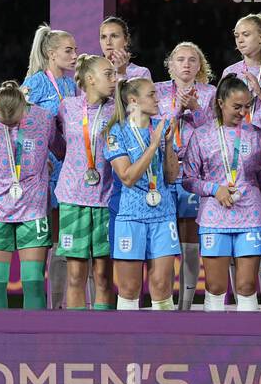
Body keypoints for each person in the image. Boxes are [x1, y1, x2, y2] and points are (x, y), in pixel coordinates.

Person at [0, 81, 65, 309]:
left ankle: (35, 341)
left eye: (14, 120)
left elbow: (62, 152)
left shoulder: (43, 119)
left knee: (34, 285)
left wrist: (45, 164)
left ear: (24, 107)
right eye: (3, 120)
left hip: (33, 209)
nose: (8, 124)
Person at [181, 75, 261, 311]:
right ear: (221, 102)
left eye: (247, 106)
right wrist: (214, 189)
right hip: (214, 218)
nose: (243, 112)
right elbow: (188, 180)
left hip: (251, 218)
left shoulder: (255, 134)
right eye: (237, 106)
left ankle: (250, 343)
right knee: (215, 286)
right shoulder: (202, 135)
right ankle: (213, 344)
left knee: (246, 285)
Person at [223, 14, 261, 307]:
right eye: (236, 35)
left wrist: (258, 96)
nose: (240, 39)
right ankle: (242, 303)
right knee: (239, 237)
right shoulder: (229, 73)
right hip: (237, 167)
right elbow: (224, 119)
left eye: (246, 34)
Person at [105, 78, 180, 310]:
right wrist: (153, 144)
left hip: (163, 215)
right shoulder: (116, 132)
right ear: (133, 100)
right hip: (130, 217)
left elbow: (171, 176)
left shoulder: (161, 126)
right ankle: (126, 344)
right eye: (151, 94)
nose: (157, 98)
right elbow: (127, 177)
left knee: (161, 284)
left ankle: (165, 343)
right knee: (129, 287)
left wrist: (167, 144)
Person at [53, 53, 118, 310]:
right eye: (108, 74)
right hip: (72, 199)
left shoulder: (117, 109)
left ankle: (102, 334)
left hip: (106, 197)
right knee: (75, 276)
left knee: (103, 277)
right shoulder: (67, 107)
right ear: (90, 79)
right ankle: (75, 334)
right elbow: (58, 144)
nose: (114, 79)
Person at [157, 42, 217, 310]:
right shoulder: (157, 91)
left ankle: (187, 304)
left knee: (190, 241)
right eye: (180, 59)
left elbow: (216, 133)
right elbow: (155, 126)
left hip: (195, 172)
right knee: (168, 241)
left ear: (200, 66)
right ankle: (166, 302)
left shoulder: (210, 93)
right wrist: (177, 110)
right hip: (163, 171)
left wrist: (196, 108)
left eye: (193, 60)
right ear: (170, 65)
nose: (186, 64)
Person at [22, 24, 78, 308]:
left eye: (75, 50)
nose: (75, 55)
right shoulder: (35, 83)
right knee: (42, 240)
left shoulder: (71, 84)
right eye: (69, 50)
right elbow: (17, 122)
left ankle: (57, 305)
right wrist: (39, 156)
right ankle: (39, 307)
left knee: (63, 240)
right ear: (51, 53)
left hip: (69, 169)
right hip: (43, 172)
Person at [100, 16, 152, 82]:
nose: (108, 42)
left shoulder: (141, 73)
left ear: (126, 41)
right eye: (103, 37)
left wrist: (121, 74)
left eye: (114, 36)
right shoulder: (93, 72)